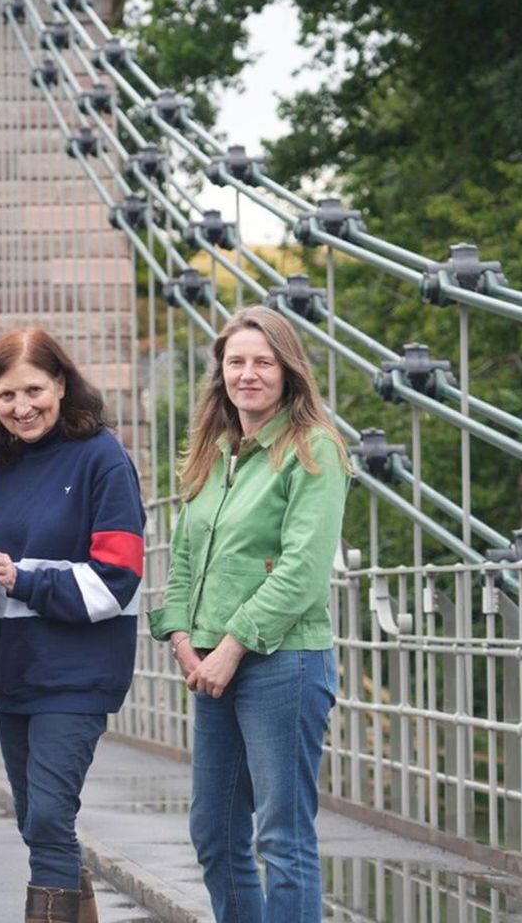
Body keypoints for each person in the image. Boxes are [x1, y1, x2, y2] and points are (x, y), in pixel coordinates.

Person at [149, 306, 352, 923]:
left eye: (263, 361)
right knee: (213, 833)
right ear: (221, 372)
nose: (248, 374)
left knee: (282, 838)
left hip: (282, 664)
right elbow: (184, 557)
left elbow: (302, 571)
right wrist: (182, 637)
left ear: (288, 372)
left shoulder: (314, 449)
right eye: (236, 361)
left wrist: (232, 646)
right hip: (209, 665)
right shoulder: (213, 453)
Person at [0, 328, 144, 923]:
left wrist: (22, 577)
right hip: (15, 671)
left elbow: (118, 577)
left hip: (79, 671)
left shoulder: (104, 458)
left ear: (62, 384)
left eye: (35, 390)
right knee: (34, 819)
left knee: (47, 817)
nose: (22, 407)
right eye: (6, 395)